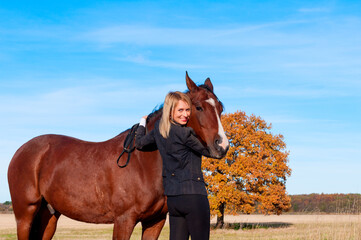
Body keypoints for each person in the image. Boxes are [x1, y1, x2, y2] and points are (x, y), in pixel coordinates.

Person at [135, 91, 211, 240]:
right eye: (180, 110)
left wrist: (142, 123)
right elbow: (212, 152)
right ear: (170, 111)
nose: (186, 114)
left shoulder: (158, 129)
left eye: (188, 110)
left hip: (174, 200)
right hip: (194, 196)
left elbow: (139, 143)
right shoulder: (186, 134)